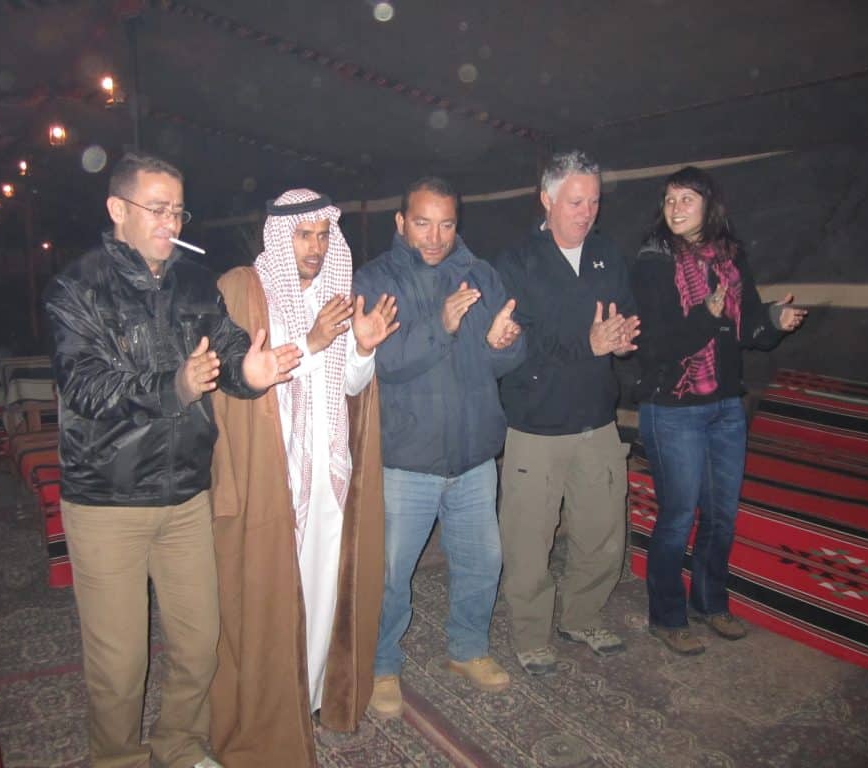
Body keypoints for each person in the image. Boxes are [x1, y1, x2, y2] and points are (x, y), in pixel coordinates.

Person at [44, 152, 300, 768]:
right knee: (120, 662)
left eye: (178, 209)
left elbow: (231, 350)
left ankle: (179, 747)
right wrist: (175, 388)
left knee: (199, 644)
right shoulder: (76, 288)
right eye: (156, 208)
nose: (170, 221)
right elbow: (86, 386)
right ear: (117, 210)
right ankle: (118, 759)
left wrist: (250, 371)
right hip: (108, 501)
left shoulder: (192, 282)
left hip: (185, 495)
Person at [208, 189, 398, 766]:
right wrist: (312, 343)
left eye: (322, 236)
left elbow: (346, 390)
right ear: (278, 235)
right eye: (302, 235)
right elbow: (248, 387)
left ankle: (311, 697)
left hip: (328, 478)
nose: (314, 248)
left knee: (321, 595)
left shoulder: (337, 298)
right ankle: (264, 711)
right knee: (270, 599)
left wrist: (361, 351)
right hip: (276, 481)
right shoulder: (247, 292)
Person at [353, 176, 525, 719]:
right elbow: (382, 362)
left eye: (446, 224)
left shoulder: (482, 274)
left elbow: (504, 362)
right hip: (407, 457)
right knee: (390, 573)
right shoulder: (376, 280)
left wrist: (503, 344)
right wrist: (443, 324)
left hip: (474, 452)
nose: (435, 236)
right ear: (401, 222)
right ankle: (382, 664)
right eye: (422, 222)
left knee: (481, 562)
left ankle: (467, 649)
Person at [630, 165, 805, 655]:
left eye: (687, 198)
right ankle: (667, 615)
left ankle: (711, 603)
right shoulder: (652, 261)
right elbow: (657, 347)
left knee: (721, 516)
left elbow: (748, 326)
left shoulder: (729, 257)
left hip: (727, 404)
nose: (676, 208)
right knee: (679, 514)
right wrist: (706, 317)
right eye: (669, 199)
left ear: (709, 205)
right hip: (674, 407)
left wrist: (775, 320)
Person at [493, 150, 639, 675]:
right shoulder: (515, 262)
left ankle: (584, 614)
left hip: (597, 418)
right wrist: (590, 344)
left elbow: (620, 320)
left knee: (602, 530)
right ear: (547, 200)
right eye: (576, 201)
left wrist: (621, 341)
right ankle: (531, 633)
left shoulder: (606, 255)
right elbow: (521, 341)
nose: (587, 212)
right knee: (528, 536)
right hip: (536, 422)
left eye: (595, 201)